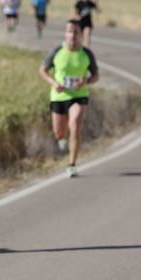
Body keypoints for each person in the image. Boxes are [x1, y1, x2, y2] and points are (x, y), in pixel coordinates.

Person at [38, 20, 100, 178]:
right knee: (59, 131)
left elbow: (96, 75)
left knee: (75, 123)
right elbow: (42, 70)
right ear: (65, 34)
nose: (72, 35)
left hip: (79, 95)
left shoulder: (86, 53)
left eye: (76, 32)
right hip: (59, 96)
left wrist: (85, 81)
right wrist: (54, 83)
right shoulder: (57, 51)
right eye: (69, 32)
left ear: (80, 35)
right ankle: (61, 138)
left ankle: (72, 165)